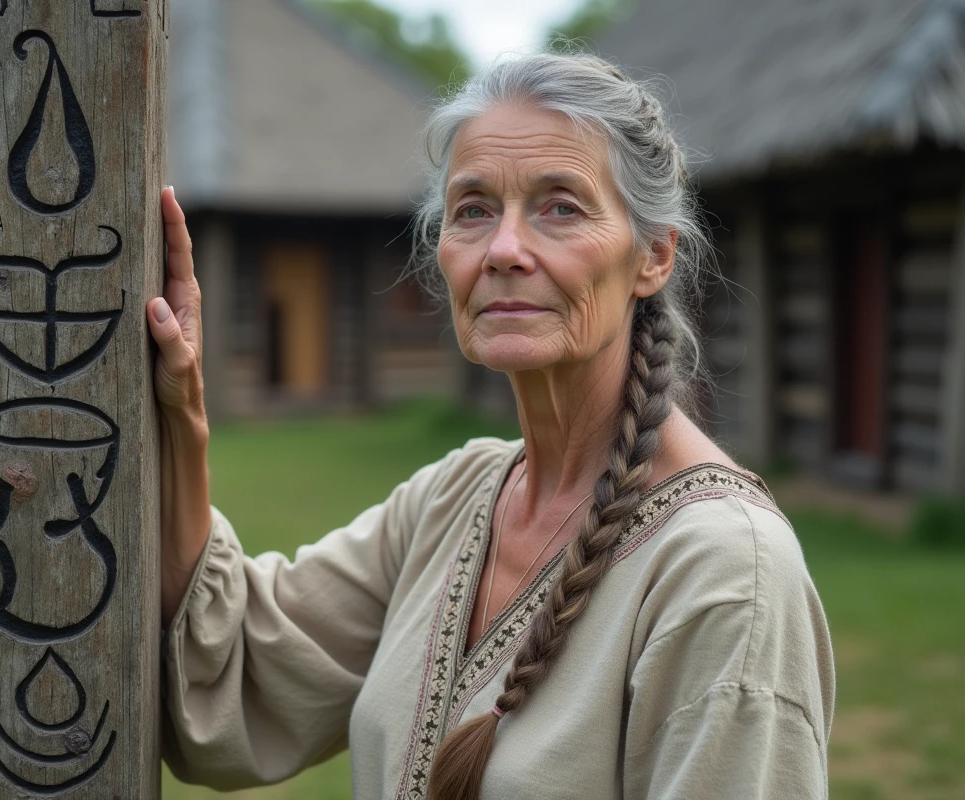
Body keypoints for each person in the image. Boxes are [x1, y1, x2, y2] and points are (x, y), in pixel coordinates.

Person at [145, 51, 834, 800]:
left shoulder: (726, 573)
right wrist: (181, 415)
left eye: (560, 207)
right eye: (473, 210)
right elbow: (243, 669)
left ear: (653, 256)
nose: (504, 250)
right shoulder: (454, 498)